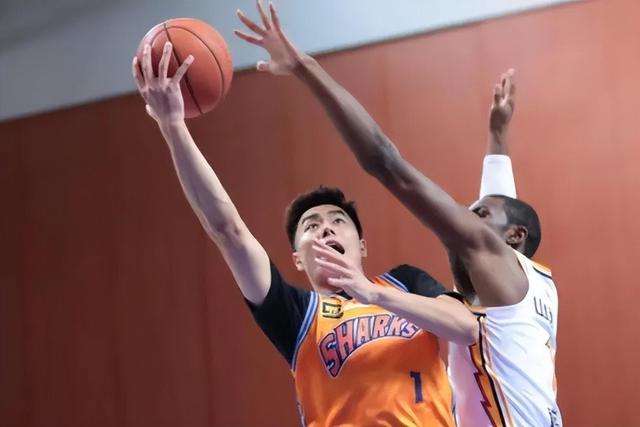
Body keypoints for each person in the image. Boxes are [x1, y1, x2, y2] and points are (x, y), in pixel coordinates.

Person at [235, 4, 562, 426]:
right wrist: (497, 137)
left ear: (512, 236)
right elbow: (501, 209)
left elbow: (384, 161)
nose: (461, 218)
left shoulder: (489, 257)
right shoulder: (531, 280)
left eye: (476, 214)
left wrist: (305, 66)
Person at [132, 36, 476, 426]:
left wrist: (372, 293)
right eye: (312, 226)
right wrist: (173, 127)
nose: (325, 228)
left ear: (362, 245)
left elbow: (466, 327)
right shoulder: (296, 314)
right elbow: (228, 230)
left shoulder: (405, 281)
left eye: (337, 221)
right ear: (298, 259)